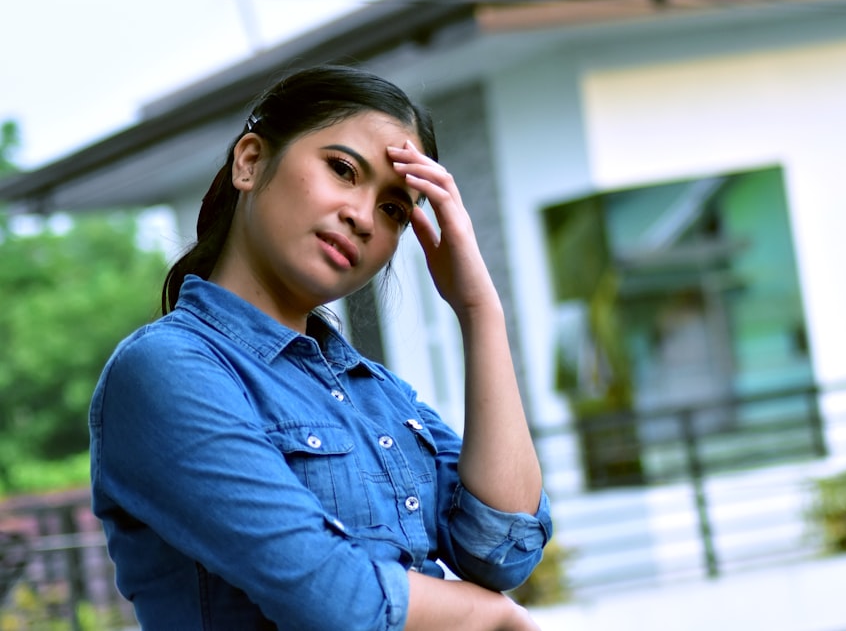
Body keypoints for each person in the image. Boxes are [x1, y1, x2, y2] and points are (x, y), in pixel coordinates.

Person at [89, 65, 552, 630]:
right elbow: (335, 601)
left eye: (393, 209)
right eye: (342, 169)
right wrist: (493, 617)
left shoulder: (379, 395)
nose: (361, 217)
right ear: (251, 161)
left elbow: (502, 549)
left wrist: (481, 313)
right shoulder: (167, 372)